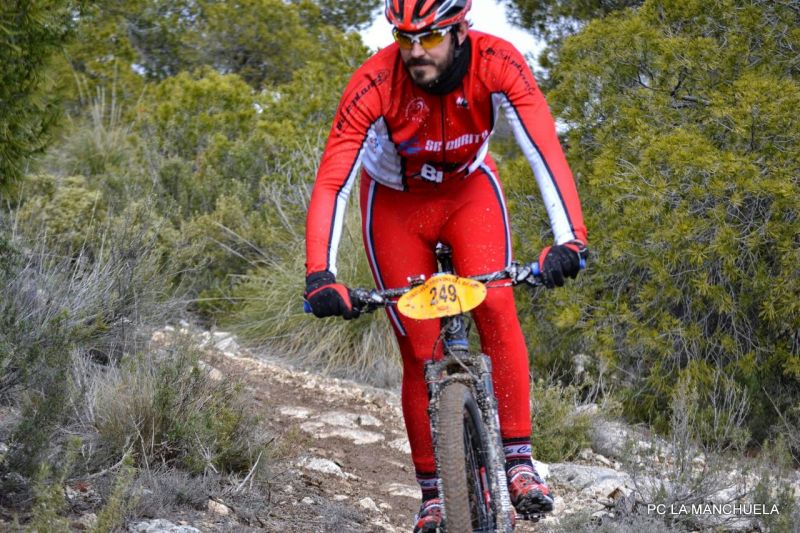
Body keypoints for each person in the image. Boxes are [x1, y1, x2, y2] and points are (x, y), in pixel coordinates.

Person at [304, 1, 587, 530]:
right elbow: (333, 181)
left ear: (460, 30)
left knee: (497, 305)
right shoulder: (374, 81)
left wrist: (570, 240)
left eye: (430, 37)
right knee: (420, 349)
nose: (415, 51)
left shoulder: (497, 61)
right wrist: (320, 274)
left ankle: (520, 462)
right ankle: (435, 493)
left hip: (468, 193)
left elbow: (543, 150)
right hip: (395, 205)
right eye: (404, 38)